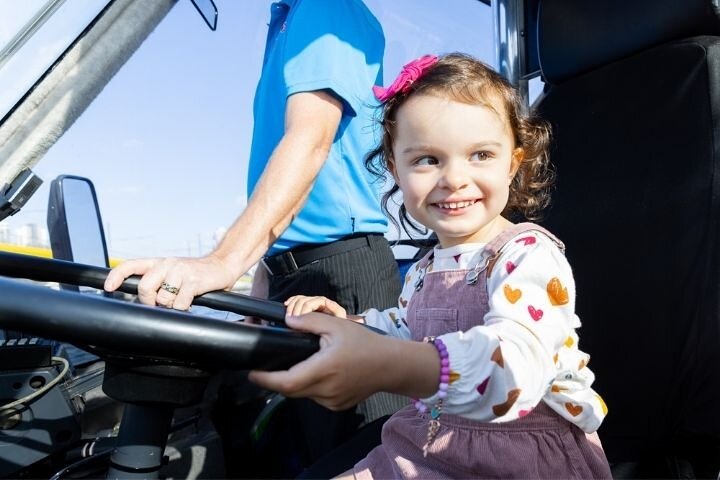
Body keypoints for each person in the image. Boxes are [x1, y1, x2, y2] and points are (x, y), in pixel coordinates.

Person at [248, 52, 613, 478]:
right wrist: (352, 324)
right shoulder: (424, 269)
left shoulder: (527, 254)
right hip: (426, 442)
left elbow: (516, 371)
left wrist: (386, 364)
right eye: (427, 160)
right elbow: (407, 328)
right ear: (396, 170)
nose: (454, 178)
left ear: (513, 164)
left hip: (518, 457)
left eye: (480, 155)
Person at [104, 0, 403, 475]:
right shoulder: (286, 18)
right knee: (278, 449)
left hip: (342, 274)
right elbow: (289, 189)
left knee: (361, 460)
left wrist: (223, 263)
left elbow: (310, 141)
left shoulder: (327, 7)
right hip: (291, 274)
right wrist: (259, 289)